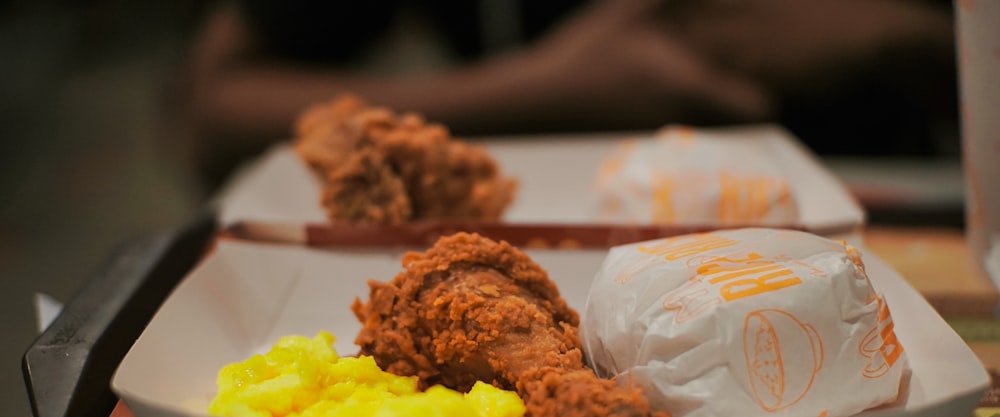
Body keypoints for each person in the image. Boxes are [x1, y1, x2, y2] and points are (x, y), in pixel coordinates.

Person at [176, 0, 958, 190]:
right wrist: (544, 88)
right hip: (546, 204)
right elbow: (216, 112)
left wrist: (911, 31)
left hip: (899, 207)